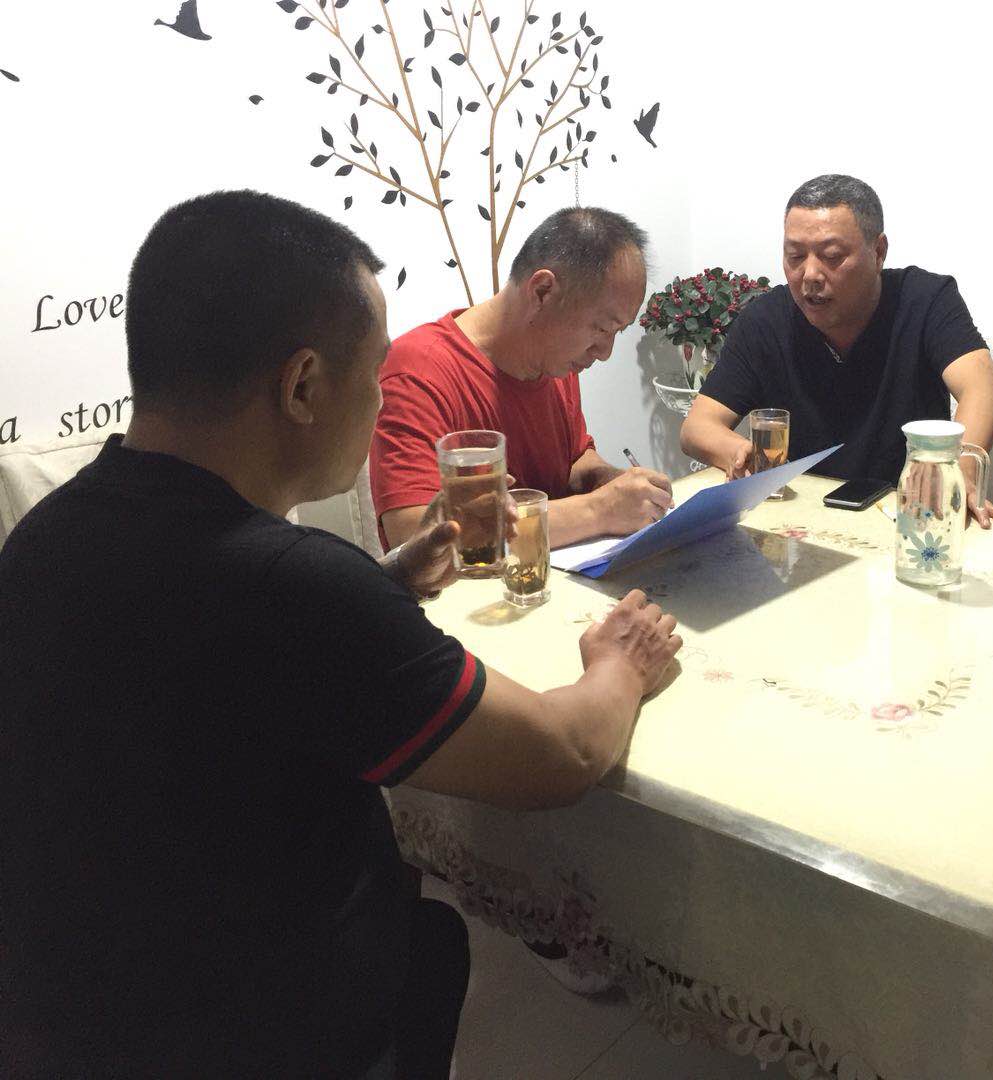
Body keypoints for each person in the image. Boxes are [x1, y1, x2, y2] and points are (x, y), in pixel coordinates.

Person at [0, 190, 681, 1079]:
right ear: (303, 387)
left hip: (75, 1015)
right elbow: (561, 756)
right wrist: (622, 662)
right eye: (375, 373)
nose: (383, 398)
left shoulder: (42, 540)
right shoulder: (297, 590)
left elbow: (213, 670)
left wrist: (382, 586)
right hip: (271, 1030)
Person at [680, 174, 993, 525]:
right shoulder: (765, 320)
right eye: (795, 256)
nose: (809, 274)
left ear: (878, 252)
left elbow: (983, 393)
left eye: (832, 256)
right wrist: (738, 453)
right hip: (797, 520)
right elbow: (697, 426)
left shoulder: (924, 299)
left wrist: (960, 471)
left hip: (906, 514)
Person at [370, 207, 673, 552]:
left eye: (618, 331)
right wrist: (599, 510)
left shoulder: (556, 363)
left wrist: (608, 480)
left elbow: (573, 460)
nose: (605, 352)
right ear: (543, 291)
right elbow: (413, 533)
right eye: (602, 328)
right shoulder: (418, 370)